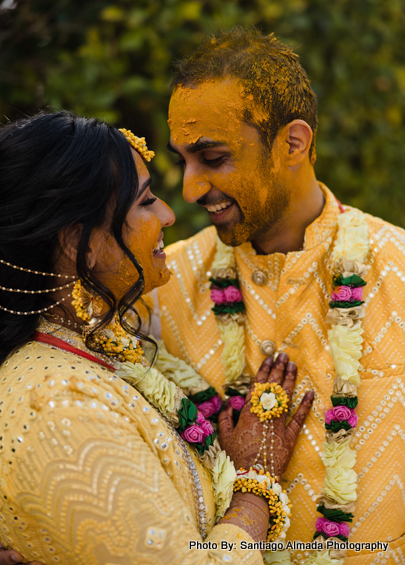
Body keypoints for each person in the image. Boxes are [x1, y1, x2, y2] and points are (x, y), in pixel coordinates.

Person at [0, 112, 314, 565]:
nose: (169, 214)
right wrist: (254, 484)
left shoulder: (92, 351)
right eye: (146, 201)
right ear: (77, 244)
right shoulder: (57, 404)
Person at [155, 28, 405, 564]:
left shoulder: (399, 268)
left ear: (292, 143)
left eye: (213, 158)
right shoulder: (160, 287)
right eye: (183, 161)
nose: (190, 188)